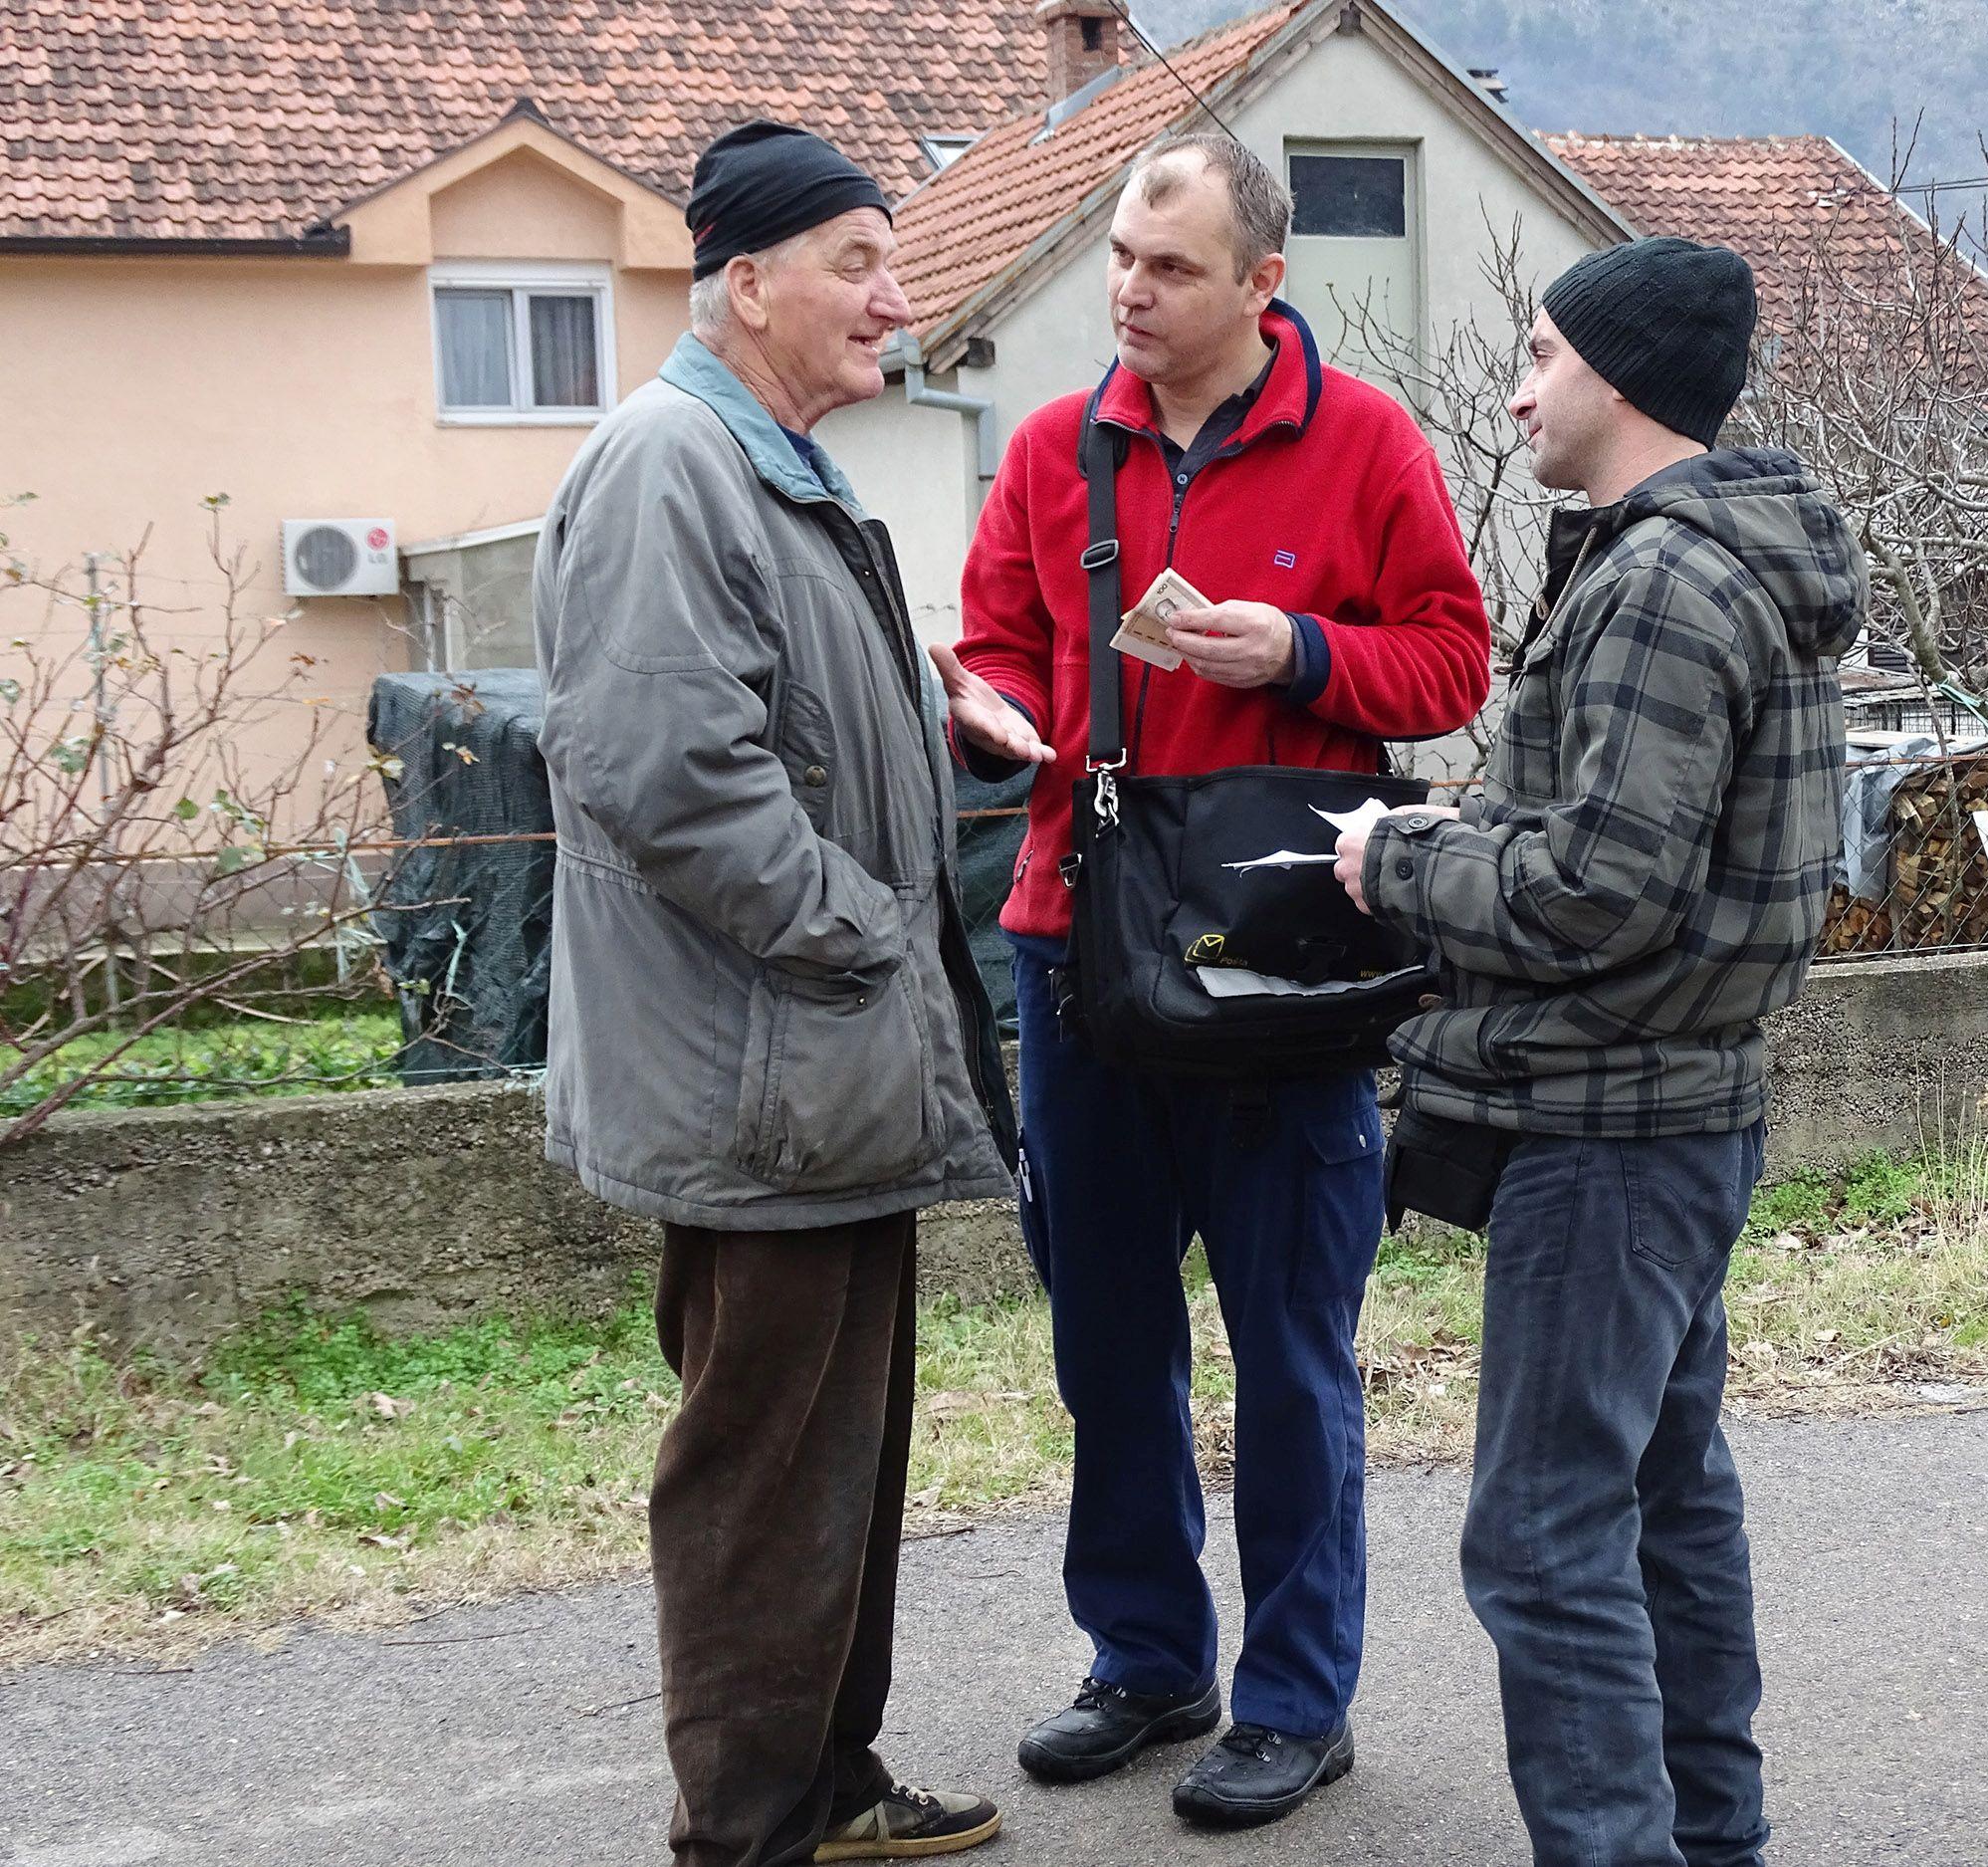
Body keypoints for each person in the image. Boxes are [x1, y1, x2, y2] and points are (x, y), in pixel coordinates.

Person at [936, 130, 1490, 1829]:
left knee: (1291, 1348)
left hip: (1279, 962)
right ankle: (1148, 1658)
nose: (1128, 290)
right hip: (1076, 945)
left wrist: (1303, 655)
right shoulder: (1049, 448)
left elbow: (1456, 658)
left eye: (1167, 267)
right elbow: (1000, 643)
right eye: (1118, 255)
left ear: (1263, 282)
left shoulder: (1368, 440)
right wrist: (991, 707)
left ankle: (1297, 1699)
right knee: (1106, 1340)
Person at [1335, 237, 1868, 1867]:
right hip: (1678, 1107)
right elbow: (1638, 850)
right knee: (1666, 1503)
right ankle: (1713, 1843)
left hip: (1612, 1127)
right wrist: (1466, 827)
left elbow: (1598, 887)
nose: (1516, 388)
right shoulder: (1730, 560)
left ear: (1620, 382)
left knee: (1545, 1538)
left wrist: (1393, 862)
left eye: (1544, 357)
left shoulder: (1657, 579)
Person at [532, 120, 1021, 1867]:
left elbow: (769, 715)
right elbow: (671, 771)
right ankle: (744, 1829)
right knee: (762, 1474)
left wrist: (924, 701)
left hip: (817, 1070)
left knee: (835, 1462)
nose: (895, 300)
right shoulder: (677, 461)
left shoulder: (772, 465)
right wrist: (864, 935)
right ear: (749, 283)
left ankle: (824, 1787)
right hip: (769, 1066)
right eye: (858, 265)